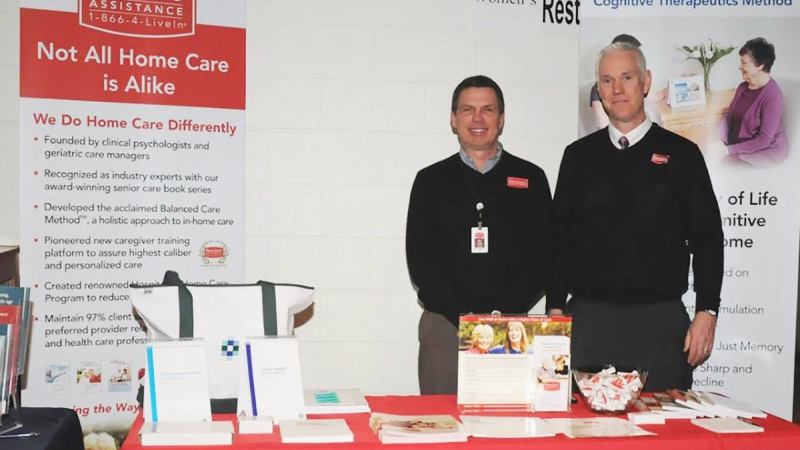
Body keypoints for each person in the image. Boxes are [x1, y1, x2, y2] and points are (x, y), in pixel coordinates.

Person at [549, 41, 724, 391]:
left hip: (660, 326)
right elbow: (559, 240)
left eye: (627, 77)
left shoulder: (683, 155)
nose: (617, 89)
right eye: (607, 80)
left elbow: (707, 239)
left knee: (665, 426)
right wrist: (554, 311)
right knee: (583, 426)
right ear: (599, 89)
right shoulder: (578, 157)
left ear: (646, 81)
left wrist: (707, 311)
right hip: (589, 325)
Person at [406, 75, 554, 394]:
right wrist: (465, 317)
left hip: (512, 327)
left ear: (501, 119)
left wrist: (499, 316)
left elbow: (543, 256)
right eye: (467, 109)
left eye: (487, 109)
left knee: (506, 420)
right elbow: (420, 261)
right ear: (453, 119)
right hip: (445, 326)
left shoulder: (531, 178)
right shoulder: (430, 181)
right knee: (442, 420)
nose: (477, 118)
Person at [719, 37, 788, 166]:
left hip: (765, 151)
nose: (740, 67)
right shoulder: (742, 87)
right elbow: (729, 117)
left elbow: (764, 140)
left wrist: (728, 150)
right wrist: (719, 140)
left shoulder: (773, 95)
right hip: (738, 147)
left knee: (721, 166)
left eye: (744, 62)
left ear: (760, 65)